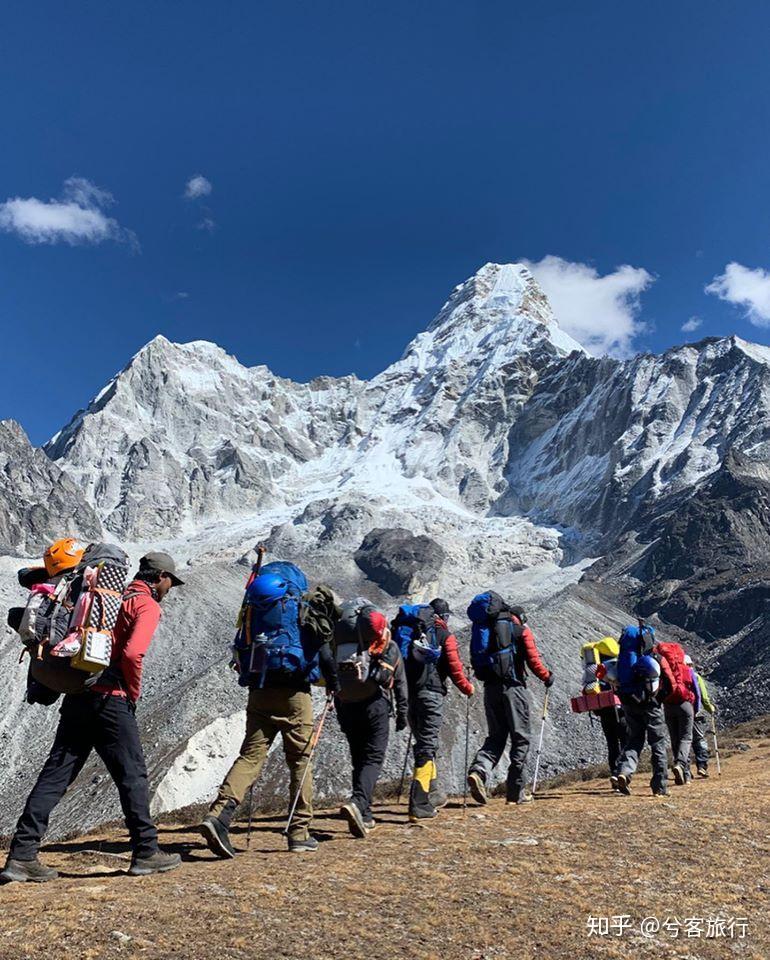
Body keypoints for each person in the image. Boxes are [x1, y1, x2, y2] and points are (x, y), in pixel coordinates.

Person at [1, 552, 185, 883]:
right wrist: (132, 692)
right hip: (112, 700)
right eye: (171, 580)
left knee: (56, 774)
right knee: (132, 775)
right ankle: (146, 852)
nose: (171, 587)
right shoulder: (145, 604)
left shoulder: (107, 595)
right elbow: (132, 653)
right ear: (159, 577)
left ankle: (22, 856)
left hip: (79, 692)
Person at [199, 563, 340, 857]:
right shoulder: (301, 607)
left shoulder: (255, 610)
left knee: (250, 756)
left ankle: (219, 815)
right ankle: (299, 832)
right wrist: (333, 683)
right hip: (294, 693)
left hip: (259, 689)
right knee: (300, 760)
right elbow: (324, 649)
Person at [393, 598, 474, 822]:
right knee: (427, 747)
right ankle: (418, 805)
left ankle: (433, 794)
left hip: (409, 695)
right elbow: (455, 668)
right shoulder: (444, 636)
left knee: (423, 744)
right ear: (442, 617)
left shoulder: (409, 632)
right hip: (431, 696)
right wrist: (468, 688)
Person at [466, 599, 553, 806]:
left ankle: (479, 770)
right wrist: (547, 677)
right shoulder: (520, 631)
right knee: (521, 738)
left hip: (490, 690)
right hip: (513, 689)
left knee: (496, 737)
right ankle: (516, 792)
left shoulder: (487, 631)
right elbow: (533, 661)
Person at [334, 603, 408, 838]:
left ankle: (364, 814)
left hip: (346, 704)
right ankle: (358, 802)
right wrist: (403, 715)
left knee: (358, 758)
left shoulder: (341, 644)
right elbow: (401, 685)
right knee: (373, 757)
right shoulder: (389, 646)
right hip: (374, 704)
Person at [614, 624, 669, 797]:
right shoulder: (654, 659)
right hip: (650, 705)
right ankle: (659, 786)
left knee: (634, 740)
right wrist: (660, 698)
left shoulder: (624, 660)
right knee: (658, 743)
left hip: (629, 702)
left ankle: (624, 772)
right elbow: (669, 682)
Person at [656, 641, 698, 786]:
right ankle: (681, 766)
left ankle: (684, 775)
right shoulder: (686, 669)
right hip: (685, 705)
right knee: (686, 738)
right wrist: (695, 709)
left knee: (675, 739)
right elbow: (696, 691)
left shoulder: (662, 670)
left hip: (668, 706)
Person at [685, 653, 715, 778]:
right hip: (696, 712)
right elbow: (703, 697)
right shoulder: (696, 677)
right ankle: (702, 766)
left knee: (683, 740)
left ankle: (684, 769)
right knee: (699, 739)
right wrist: (710, 709)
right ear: (690, 664)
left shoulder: (676, 677)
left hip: (680, 713)